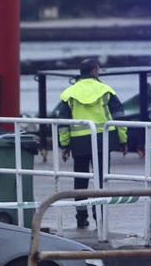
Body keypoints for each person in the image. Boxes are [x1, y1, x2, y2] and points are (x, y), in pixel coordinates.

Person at [58, 59, 139, 229]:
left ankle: (81, 217)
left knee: (80, 182)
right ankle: (100, 216)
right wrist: (124, 140)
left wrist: (64, 145)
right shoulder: (106, 90)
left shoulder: (68, 93)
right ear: (94, 71)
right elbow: (119, 118)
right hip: (103, 140)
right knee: (101, 181)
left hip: (79, 142)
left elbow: (63, 123)